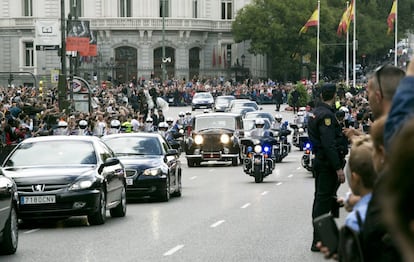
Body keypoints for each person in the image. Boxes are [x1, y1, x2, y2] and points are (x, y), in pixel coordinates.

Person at [307, 83, 347, 252]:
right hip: (327, 164)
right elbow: (329, 144)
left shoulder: (316, 113)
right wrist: (338, 168)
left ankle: (325, 236)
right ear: (334, 96)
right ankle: (319, 240)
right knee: (323, 201)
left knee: (326, 199)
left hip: (322, 161)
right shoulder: (326, 116)